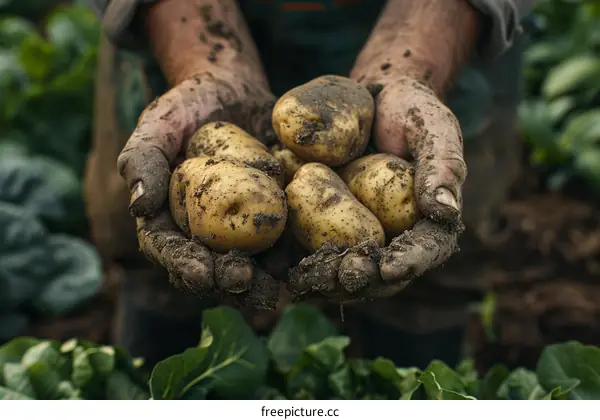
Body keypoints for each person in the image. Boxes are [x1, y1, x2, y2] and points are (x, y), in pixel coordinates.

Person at [84, 0, 533, 369]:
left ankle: (415, 378)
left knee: (438, 234)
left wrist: (413, 60)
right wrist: (204, 58)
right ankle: (149, 378)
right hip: (182, 16)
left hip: (435, 19)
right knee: (153, 234)